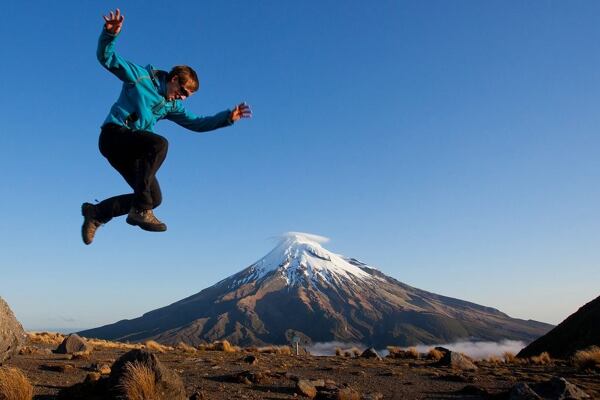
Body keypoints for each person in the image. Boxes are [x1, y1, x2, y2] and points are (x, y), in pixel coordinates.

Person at [81, 9, 251, 245]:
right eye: (182, 92)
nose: (181, 98)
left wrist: (227, 118)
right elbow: (107, 59)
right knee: (159, 143)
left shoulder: (171, 106)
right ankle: (140, 210)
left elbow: (197, 123)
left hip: (133, 149)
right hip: (114, 136)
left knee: (154, 197)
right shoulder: (141, 77)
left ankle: (97, 213)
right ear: (173, 80)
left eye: (186, 97)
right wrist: (109, 35)